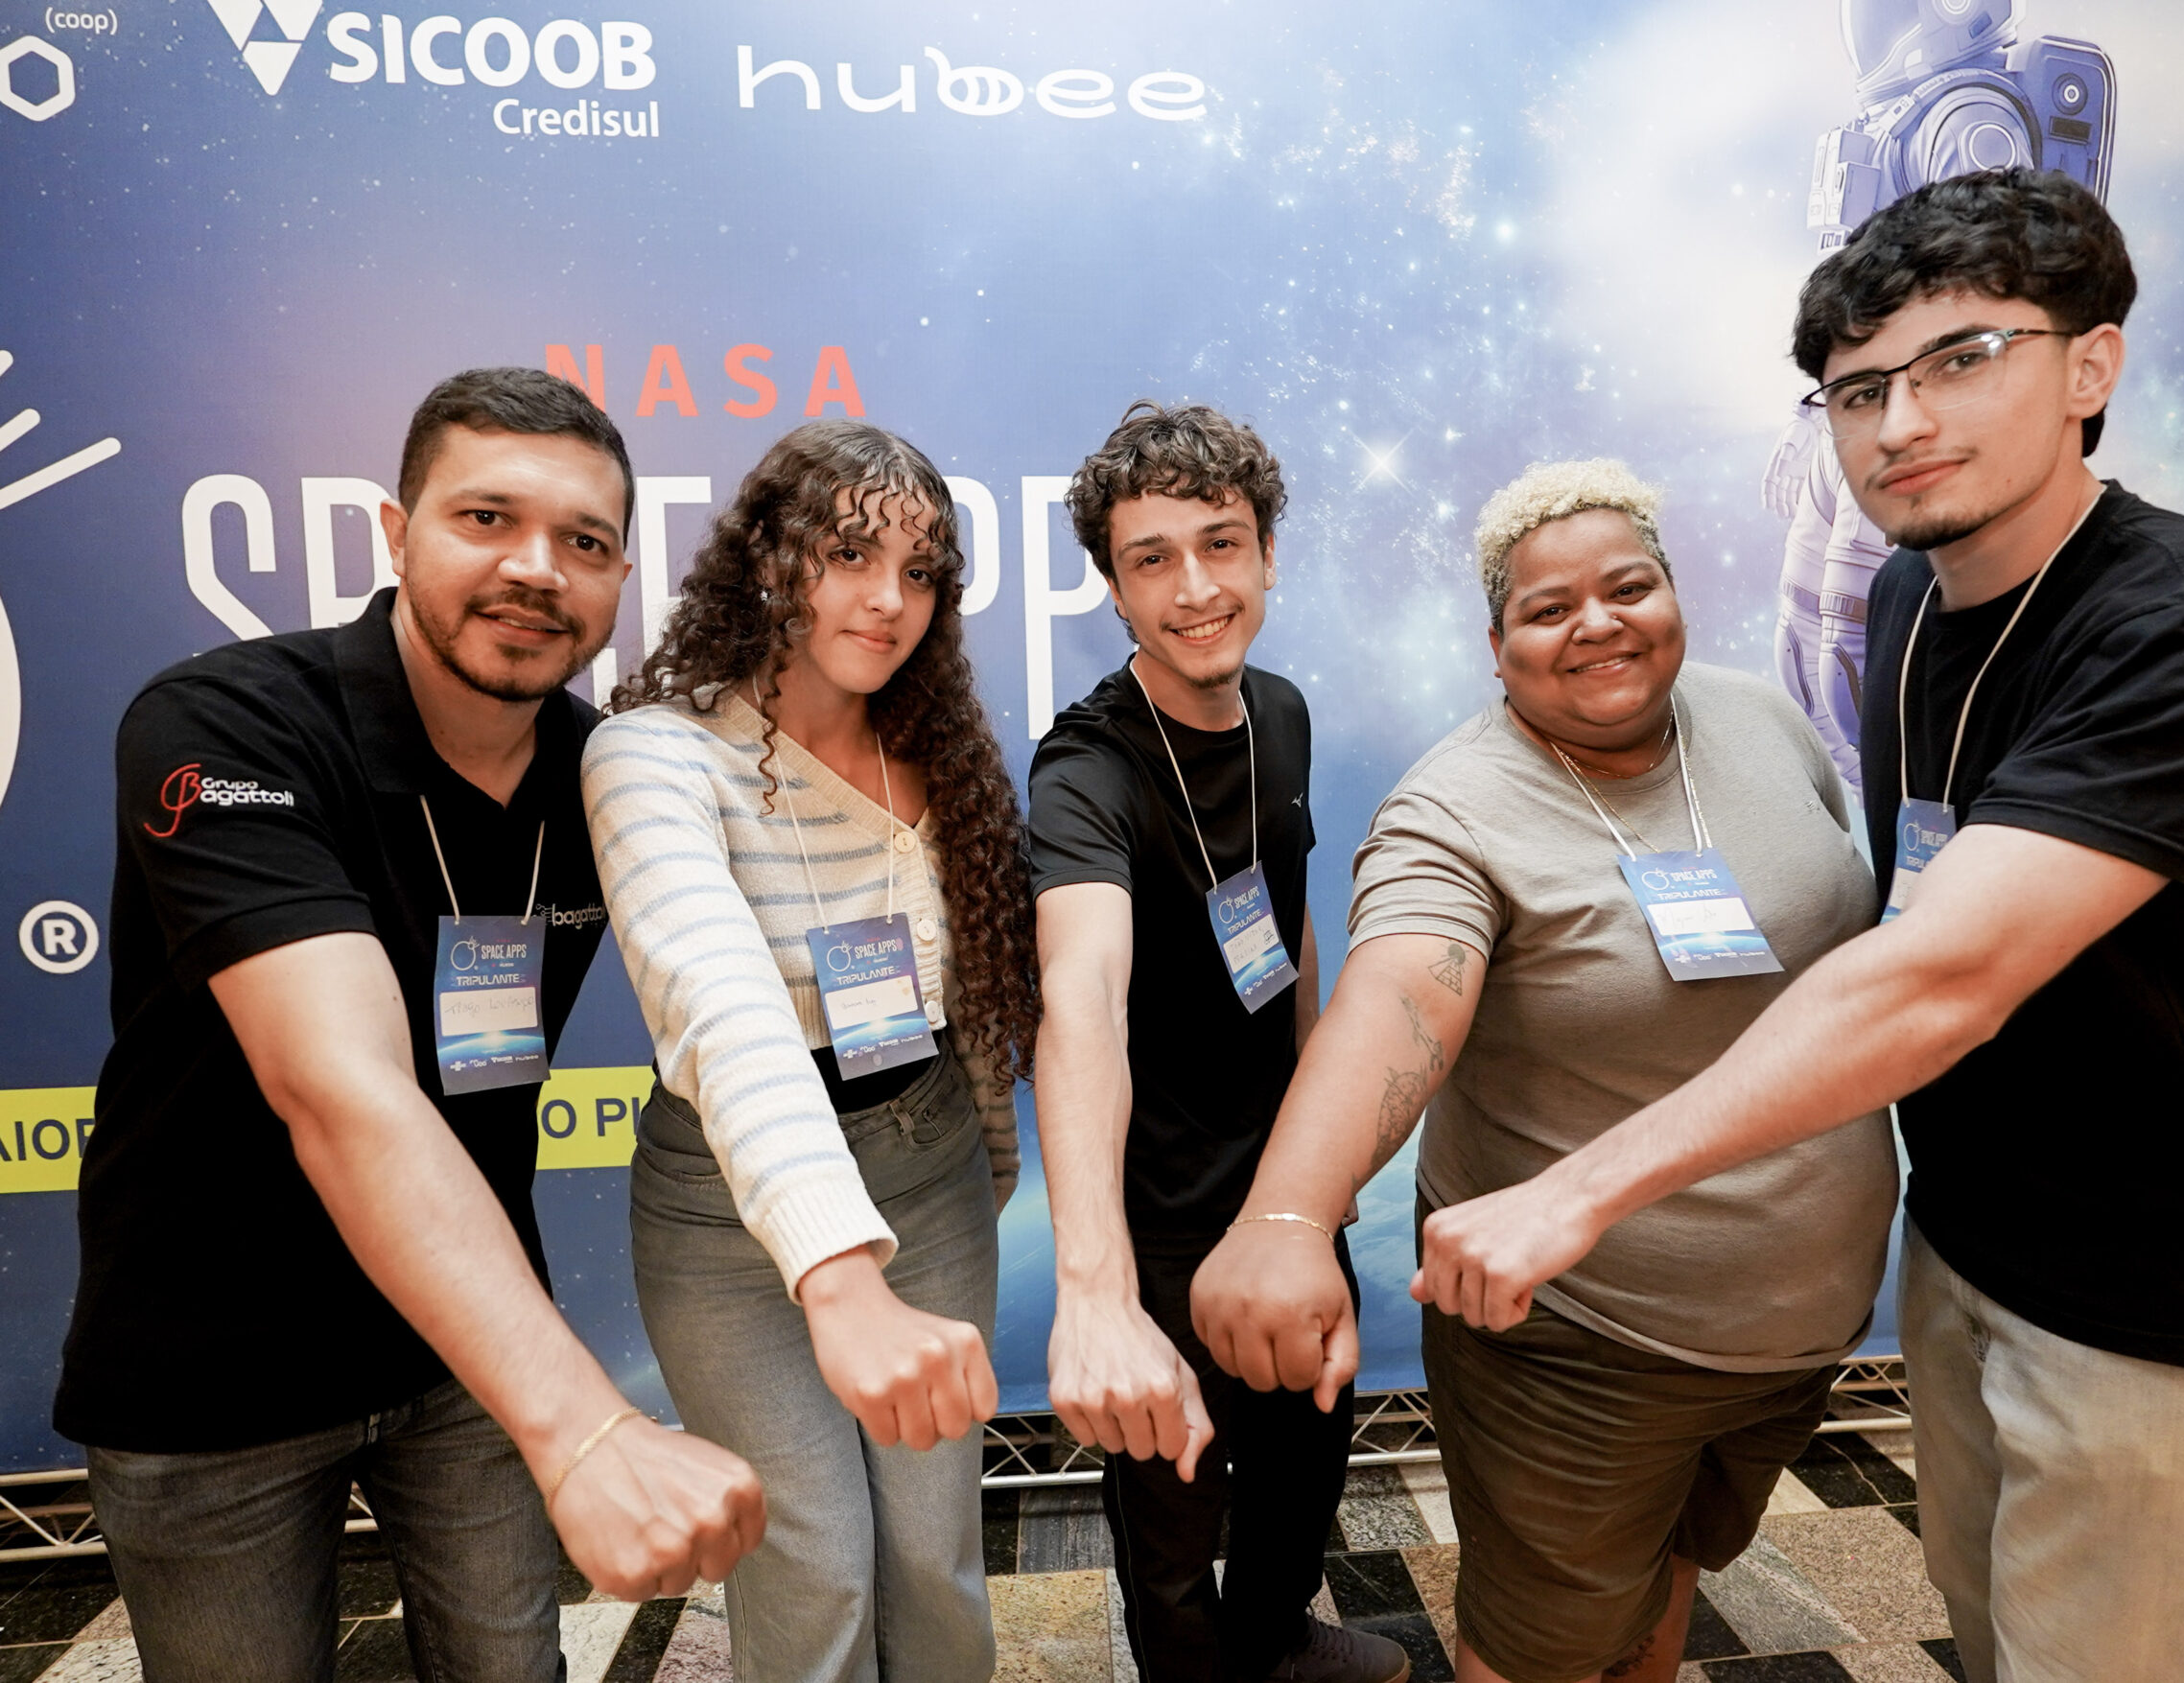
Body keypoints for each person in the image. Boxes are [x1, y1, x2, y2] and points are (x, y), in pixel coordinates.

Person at [1399, 170, 2184, 1683]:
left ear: (2091, 366)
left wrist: (1574, 1190)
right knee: (1994, 1642)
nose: (1902, 422)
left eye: (1962, 359)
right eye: (1858, 390)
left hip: (2167, 1301)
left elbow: (1939, 971)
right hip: (1968, 1254)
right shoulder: (1909, 604)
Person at [56, 367, 765, 1682]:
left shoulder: (608, 772)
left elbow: (743, 998)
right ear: (396, 534)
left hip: (467, 1350)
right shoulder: (226, 722)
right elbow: (344, 1088)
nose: (536, 568)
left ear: (619, 578)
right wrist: (586, 1427)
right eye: (487, 518)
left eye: (585, 541)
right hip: (214, 1368)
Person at [1190, 459, 1898, 1683]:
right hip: (1582, 1345)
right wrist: (1287, 1213)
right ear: (1497, 645)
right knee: (1541, 1654)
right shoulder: (1454, 808)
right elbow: (1403, 993)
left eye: (1628, 587)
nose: (1597, 624)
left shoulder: (1761, 720)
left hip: (1792, 1333)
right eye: (1548, 608)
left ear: (1672, 593)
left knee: (1665, 1587)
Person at [583, 420, 1034, 1683]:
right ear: (769, 559)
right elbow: (719, 1006)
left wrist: (980, 1169)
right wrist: (839, 1273)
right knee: (814, 1563)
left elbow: (973, 1008)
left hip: (931, 1170)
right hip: (729, 1210)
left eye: (920, 570)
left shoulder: (940, 751)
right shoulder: (654, 754)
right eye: (849, 555)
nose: (888, 599)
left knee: (935, 1550)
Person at [1029, 401, 1407, 1683]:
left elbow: (1288, 924)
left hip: (1288, 1189)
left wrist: (1323, 1155)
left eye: (1221, 544)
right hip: (1164, 1219)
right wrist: (1097, 1282)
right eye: (1153, 559)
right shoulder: (1085, 770)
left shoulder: (1279, 713)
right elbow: (1080, 993)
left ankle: (1279, 1638)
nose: (1195, 589)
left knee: (1306, 1455)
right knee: (1174, 1516)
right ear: (1114, 586)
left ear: (1267, 554)